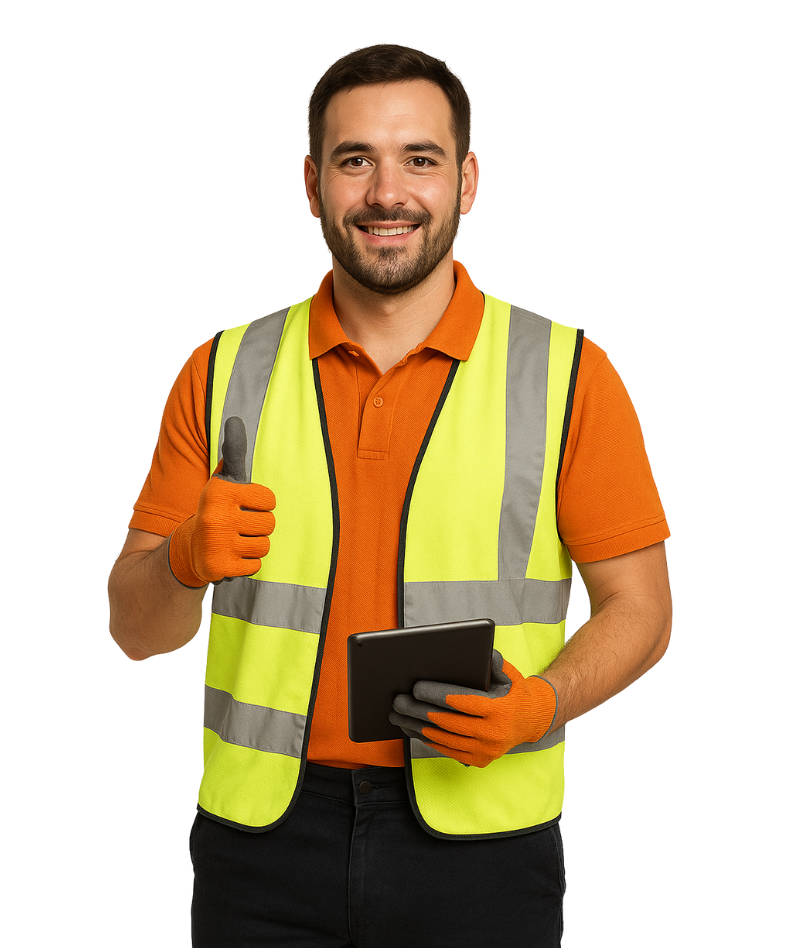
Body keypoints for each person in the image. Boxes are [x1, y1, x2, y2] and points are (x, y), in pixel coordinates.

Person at [107, 42, 672, 948]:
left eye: (419, 159)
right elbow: (137, 632)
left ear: (467, 181)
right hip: (258, 847)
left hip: (485, 844)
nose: (386, 193)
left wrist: (539, 705)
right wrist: (179, 561)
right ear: (310, 184)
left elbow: (641, 610)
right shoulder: (220, 371)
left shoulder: (569, 373)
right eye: (354, 160)